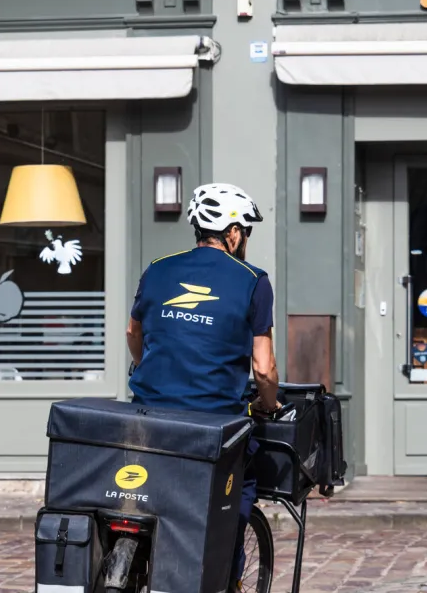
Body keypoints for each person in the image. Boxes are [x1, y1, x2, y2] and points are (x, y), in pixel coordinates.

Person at [126, 182, 280, 592]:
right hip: (214, 425)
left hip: (149, 417)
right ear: (232, 232)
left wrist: (148, 372)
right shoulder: (253, 280)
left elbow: (133, 332)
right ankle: (227, 579)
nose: (245, 239)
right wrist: (271, 404)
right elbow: (263, 369)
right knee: (240, 489)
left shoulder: (157, 268)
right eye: (245, 230)